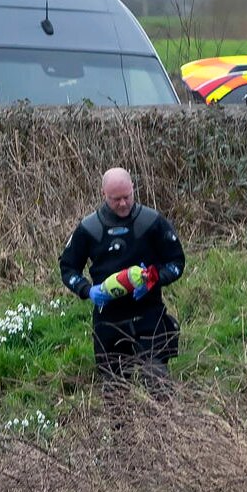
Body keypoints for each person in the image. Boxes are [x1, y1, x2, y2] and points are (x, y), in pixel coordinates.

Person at [57, 167, 186, 405]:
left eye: (127, 196)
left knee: (159, 385)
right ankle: (122, 440)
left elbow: (177, 261)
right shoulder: (89, 228)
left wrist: (155, 278)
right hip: (109, 323)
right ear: (103, 194)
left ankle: (167, 437)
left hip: (149, 317)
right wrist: (87, 290)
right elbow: (67, 267)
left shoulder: (152, 222)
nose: (123, 203)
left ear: (133, 189)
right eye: (116, 199)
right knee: (115, 396)